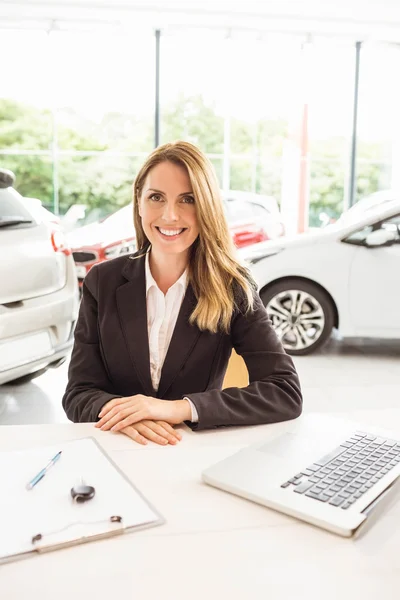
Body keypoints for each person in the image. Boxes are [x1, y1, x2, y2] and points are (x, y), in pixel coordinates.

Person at [62, 141, 302, 446]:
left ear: (206, 207)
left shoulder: (232, 288)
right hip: (118, 447)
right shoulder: (102, 282)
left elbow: (284, 392)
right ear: (138, 202)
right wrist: (129, 417)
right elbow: (78, 394)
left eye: (187, 199)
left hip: (191, 450)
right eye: (156, 198)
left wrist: (176, 409)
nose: (170, 215)